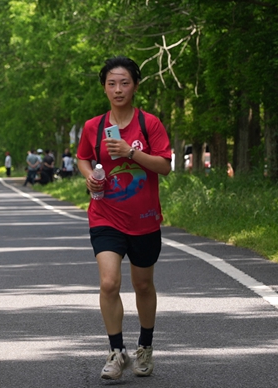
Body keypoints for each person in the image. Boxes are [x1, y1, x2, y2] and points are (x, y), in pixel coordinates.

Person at [76, 56, 172, 381]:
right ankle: (116, 352)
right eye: (111, 83)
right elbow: (83, 158)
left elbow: (164, 166)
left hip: (144, 218)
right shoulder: (93, 126)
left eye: (124, 83)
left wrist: (131, 152)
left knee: (143, 284)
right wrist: (90, 177)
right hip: (105, 214)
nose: (118, 89)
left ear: (135, 86)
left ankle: (144, 347)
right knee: (108, 283)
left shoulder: (149, 124)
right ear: (104, 87)